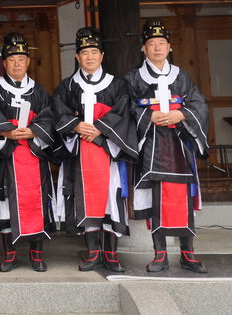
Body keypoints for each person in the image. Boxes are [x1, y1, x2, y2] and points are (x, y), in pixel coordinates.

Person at [125, 19, 209, 274]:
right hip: (151, 145)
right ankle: (160, 254)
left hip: (179, 144)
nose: (157, 48)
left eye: (162, 43)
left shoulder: (181, 76)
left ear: (170, 47)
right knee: (156, 199)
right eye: (152, 43)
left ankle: (188, 254)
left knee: (183, 198)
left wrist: (181, 114)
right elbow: (126, 107)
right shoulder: (133, 78)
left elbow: (199, 104)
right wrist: (148, 115)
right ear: (143, 48)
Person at [53, 27, 138, 273]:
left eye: (94, 52)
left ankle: (111, 253)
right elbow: (58, 112)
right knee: (85, 198)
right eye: (84, 53)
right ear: (77, 57)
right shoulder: (68, 86)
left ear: (102, 55)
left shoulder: (117, 85)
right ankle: (92, 251)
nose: (89, 57)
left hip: (108, 152)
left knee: (111, 198)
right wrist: (76, 125)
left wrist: (100, 129)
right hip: (80, 153)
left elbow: (123, 112)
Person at [0, 32, 57, 272]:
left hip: (33, 155)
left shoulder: (39, 91)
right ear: (4, 63)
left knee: (36, 202)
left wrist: (34, 131)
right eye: (12, 59)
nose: (17, 64)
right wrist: (7, 132)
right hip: (6, 155)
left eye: (21, 59)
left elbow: (49, 119)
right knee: (6, 203)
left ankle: (37, 255)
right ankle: (10, 255)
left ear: (28, 62)